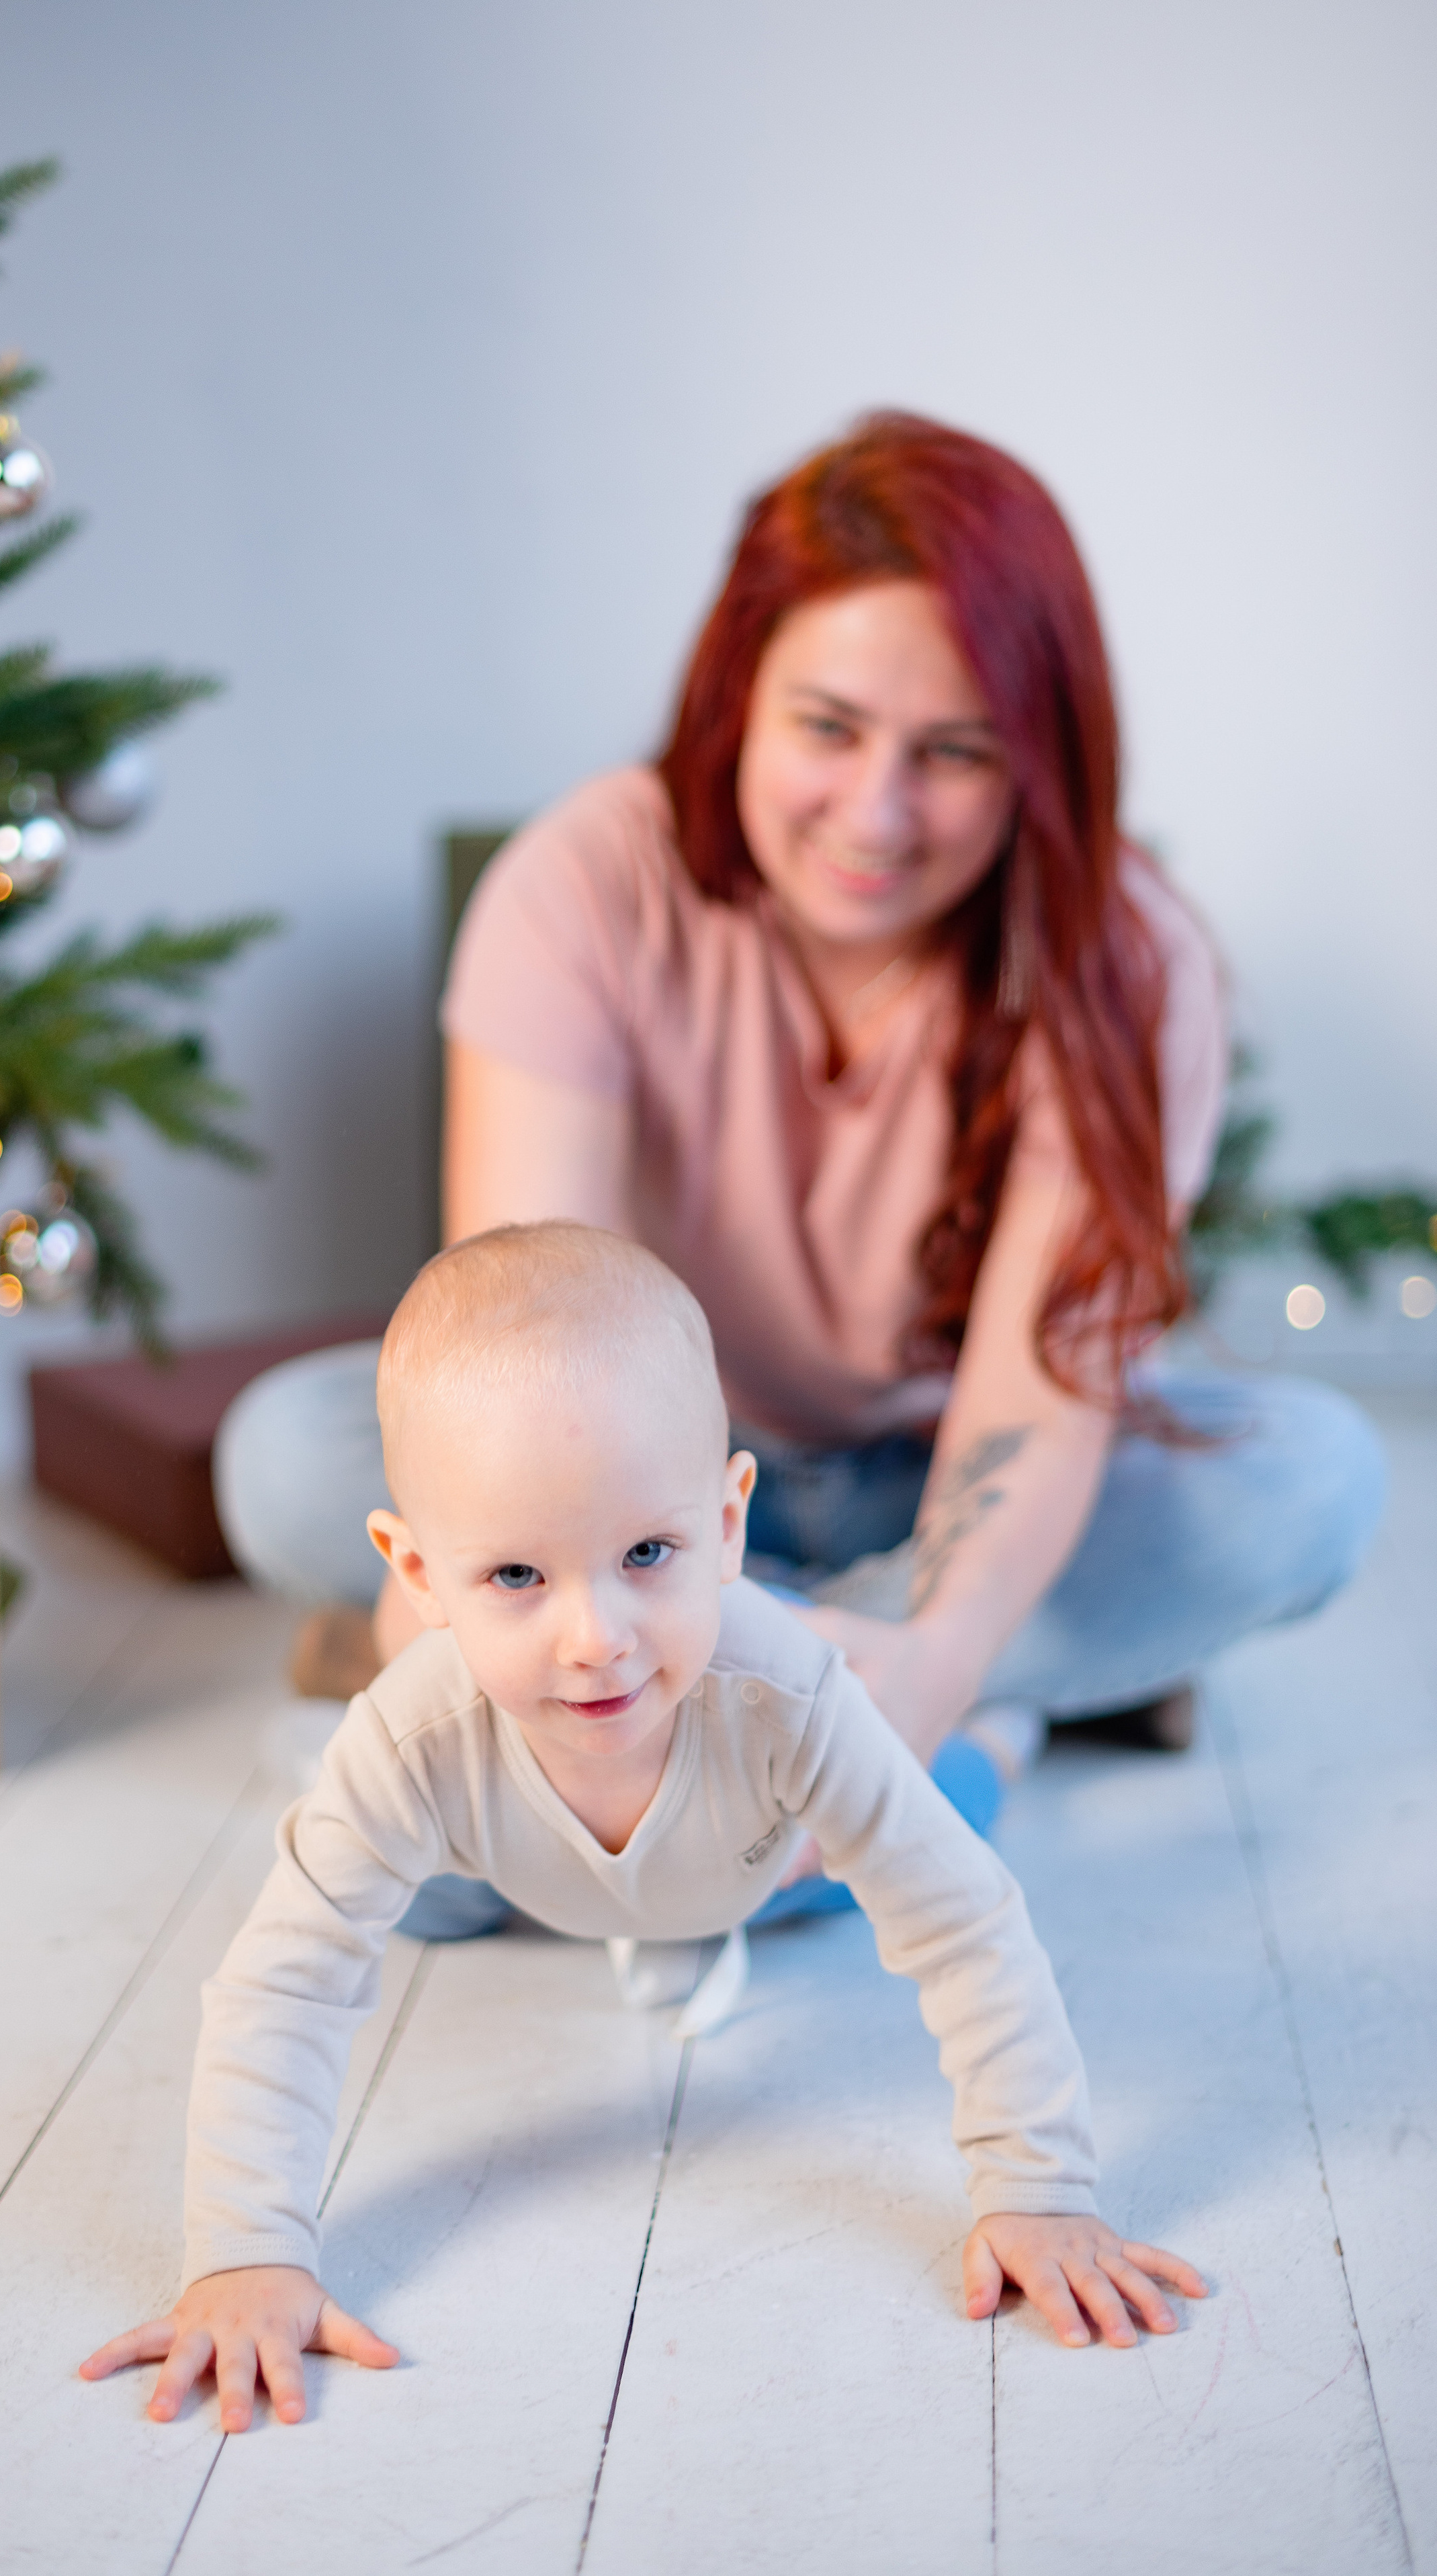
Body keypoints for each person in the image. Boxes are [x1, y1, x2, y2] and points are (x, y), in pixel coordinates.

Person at [217, 411, 1384, 1836]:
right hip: (644, 1499)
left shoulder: (1128, 962)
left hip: (936, 1485)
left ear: (1037, 758)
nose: (876, 814)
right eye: (828, 729)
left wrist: (945, 1637)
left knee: (1309, 1482)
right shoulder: (584, 880)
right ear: (739, 694)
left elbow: (1040, 1394)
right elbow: (535, 1349)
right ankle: (975, 1707)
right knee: (288, 1454)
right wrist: (654, 1568)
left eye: (954, 753)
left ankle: (776, 1680)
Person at [82, 1225, 1205, 2432]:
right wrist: (248, 2248)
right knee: (420, 1887)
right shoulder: (412, 1738)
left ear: (726, 1521)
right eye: (517, 1575)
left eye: (648, 1553)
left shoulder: (791, 1701)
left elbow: (962, 1921)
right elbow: (288, 1982)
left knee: (919, 1819)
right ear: (415, 1573)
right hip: (531, 1851)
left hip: (767, 1859)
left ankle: (1005, 1715)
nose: (597, 1640)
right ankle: (390, 1691)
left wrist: (1039, 2185)